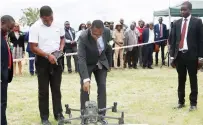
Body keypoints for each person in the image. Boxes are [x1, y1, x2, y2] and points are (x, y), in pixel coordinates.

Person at [29, 6, 65, 125]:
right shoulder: (35, 27)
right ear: (41, 17)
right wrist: (47, 55)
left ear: (52, 15)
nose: (49, 22)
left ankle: (59, 114)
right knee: (43, 91)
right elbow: (33, 47)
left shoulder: (58, 24)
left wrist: (60, 49)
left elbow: (62, 38)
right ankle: (44, 118)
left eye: (50, 19)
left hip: (57, 59)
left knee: (56, 89)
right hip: (43, 61)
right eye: (46, 20)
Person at [170, 1, 203, 111]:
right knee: (181, 79)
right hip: (179, 56)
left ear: (190, 10)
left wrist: (200, 57)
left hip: (192, 56)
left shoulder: (197, 22)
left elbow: (201, 40)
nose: (182, 11)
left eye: (184, 9)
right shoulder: (176, 23)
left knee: (193, 79)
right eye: (181, 10)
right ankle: (181, 102)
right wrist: (172, 57)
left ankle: (193, 104)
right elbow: (173, 40)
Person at [77, 20, 112, 124]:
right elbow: (81, 58)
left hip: (101, 62)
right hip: (87, 64)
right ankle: (84, 117)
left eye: (99, 34)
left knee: (102, 87)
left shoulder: (107, 32)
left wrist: (109, 64)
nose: (97, 36)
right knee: (85, 89)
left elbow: (109, 47)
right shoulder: (83, 37)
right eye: (95, 34)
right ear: (90, 29)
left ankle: (102, 116)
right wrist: (85, 79)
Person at [1, 15, 15, 125]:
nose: (10, 31)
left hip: (4, 75)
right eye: (9, 28)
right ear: (2, 22)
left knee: (3, 102)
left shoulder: (4, 36)